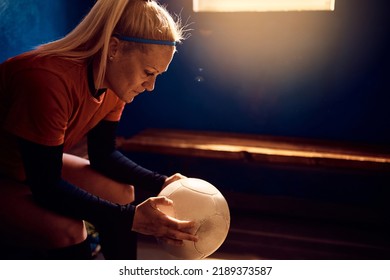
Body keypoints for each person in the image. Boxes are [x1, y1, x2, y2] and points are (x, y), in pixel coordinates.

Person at [0, 0, 198, 260]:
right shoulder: (48, 79)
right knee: (69, 230)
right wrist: (130, 218)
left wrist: (162, 182)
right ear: (114, 48)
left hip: (25, 166)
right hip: (8, 173)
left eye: (157, 75)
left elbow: (103, 154)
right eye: (148, 72)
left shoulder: (114, 84)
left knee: (122, 192)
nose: (150, 86)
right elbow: (46, 185)